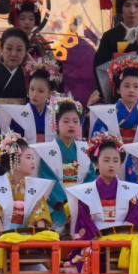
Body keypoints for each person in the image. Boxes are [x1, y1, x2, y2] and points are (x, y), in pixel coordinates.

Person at [0, 135, 53, 254]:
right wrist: (1, 232)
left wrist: (41, 232)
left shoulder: (34, 187)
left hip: (27, 242)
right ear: (14, 161)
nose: (33, 162)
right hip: (1, 242)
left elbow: (39, 213)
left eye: (33, 158)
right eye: (28, 157)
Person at [66, 134, 138, 240]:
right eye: (106, 160)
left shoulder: (130, 192)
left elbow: (133, 218)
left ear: (120, 164)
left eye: (116, 161)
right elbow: (84, 221)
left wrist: (119, 237)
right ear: (96, 164)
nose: (111, 164)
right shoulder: (84, 193)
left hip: (123, 239)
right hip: (94, 238)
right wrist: (101, 239)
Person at [33, 97, 92, 235]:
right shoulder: (46, 152)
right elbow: (48, 181)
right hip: (57, 205)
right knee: (57, 225)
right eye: (66, 121)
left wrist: (79, 201)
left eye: (75, 121)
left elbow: (91, 179)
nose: (71, 125)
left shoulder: (87, 149)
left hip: (82, 202)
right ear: (56, 124)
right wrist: (65, 203)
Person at [91, 57, 138, 143]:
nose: (131, 90)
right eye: (127, 86)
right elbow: (97, 141)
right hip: (113, 154)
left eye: (136, 86)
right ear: (118, 89)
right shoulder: (104, 115)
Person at [93, 0, 138, 73]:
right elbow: (99, 67)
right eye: (127, 5)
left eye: (137, 5)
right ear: (120, 9)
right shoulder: (109, 37)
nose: (132, 11)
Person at [0, 58, 60, 142]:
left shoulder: (54, 115)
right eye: (32, 89)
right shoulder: (19, 115)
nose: (34, 94)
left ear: (50, 94)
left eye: (40, 91)